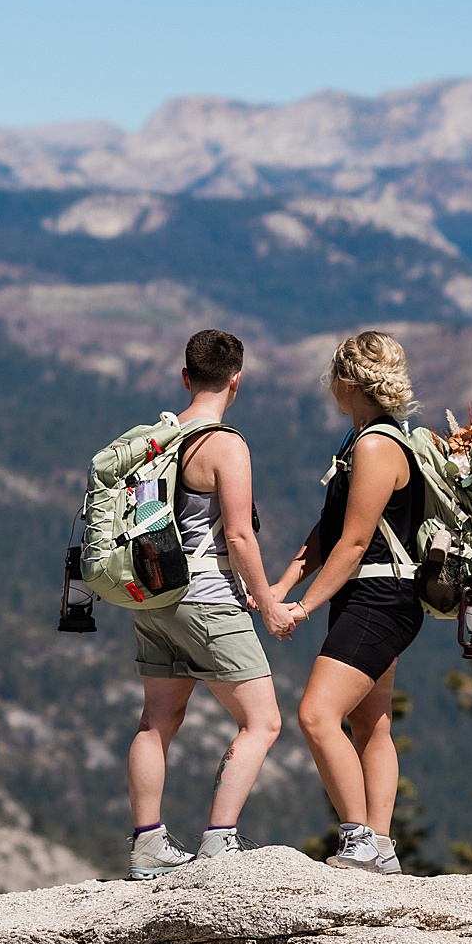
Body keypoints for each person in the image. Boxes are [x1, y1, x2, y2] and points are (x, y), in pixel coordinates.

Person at [125, 329, 285, 879]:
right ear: (236, 380)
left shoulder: (154, 439)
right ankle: (220, 839)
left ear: (185, 376)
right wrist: (266, 604)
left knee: (157, 719)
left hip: (152, 595)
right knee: (262, 721)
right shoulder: (225, 445)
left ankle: (147, 846)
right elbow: (239, 537)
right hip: (206, 598)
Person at [267, 330, 425, 875]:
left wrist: (303, 608)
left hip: (380, 597)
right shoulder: (358, 442)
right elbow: (327, 529)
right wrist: (281, 585)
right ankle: (381, 846)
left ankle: (358, 838)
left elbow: (354, 542)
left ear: (346, 380)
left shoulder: (377, 447)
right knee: (371, 725)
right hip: (374, 594)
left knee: (316, 713)